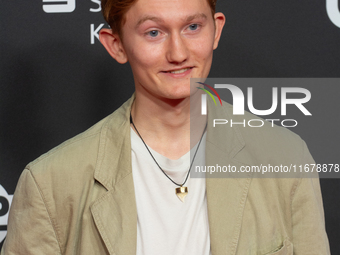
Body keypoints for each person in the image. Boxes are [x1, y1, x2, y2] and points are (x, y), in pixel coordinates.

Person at [1, 0, 330, 254]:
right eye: (154, 32)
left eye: (192, 27)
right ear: (115, 44)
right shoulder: (51, 182)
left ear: (215, 30)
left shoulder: (285, 157)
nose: (178, 53)